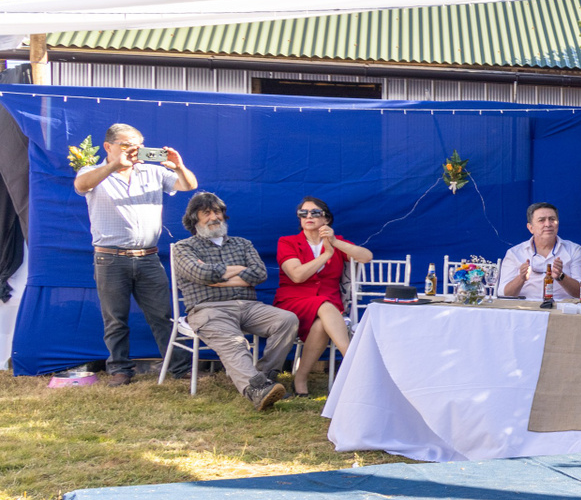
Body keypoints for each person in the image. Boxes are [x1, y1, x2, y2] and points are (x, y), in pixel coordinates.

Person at [72, 123, 198, 384]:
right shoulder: (92, 172)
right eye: (127, 145)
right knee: (115, 318)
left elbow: (189, 185)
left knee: (163, 316)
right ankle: (120, 369)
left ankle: (178, 368)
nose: (134, 150)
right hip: (110, 258)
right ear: (108, 147)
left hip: (148, 257)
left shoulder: (153, 171)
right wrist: (113, 166)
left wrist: (179, 166)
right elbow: (81, 185)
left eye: (138, 145)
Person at [173, 192, 297, 410]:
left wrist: (217, 279)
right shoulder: (184, 247)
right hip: (208, 309)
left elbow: (260, 274)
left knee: (287, 320)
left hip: (249, 306)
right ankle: (256, 390)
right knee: (234, 342)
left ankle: (265, 377)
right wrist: (240, 270)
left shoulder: (242, 244)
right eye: (206, 213)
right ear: (194, 218)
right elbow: (201, 274)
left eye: (217, 211)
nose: (214, 217)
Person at [273, 196, 371, 397]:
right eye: (303, 213)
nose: (308, 216)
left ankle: (300, 379)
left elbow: (366, 256)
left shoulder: (337, 242)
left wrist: (334, 242)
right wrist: (326, 255)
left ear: (326, 219)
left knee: (321, 324)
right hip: (293, 302)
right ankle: (354, 361)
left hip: (327, 306)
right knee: (325, 306)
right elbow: (297, 275)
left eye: (315, 212)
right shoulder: (288, 242)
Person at [499, 203, 581, 300]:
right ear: (530, 228)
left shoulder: (574, 250)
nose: (548, 224)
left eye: (552, 219)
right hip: (526, 307)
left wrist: (561, 277)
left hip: (561, 307)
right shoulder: (514, 253)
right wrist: (521, 278)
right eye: (541, 220)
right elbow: (503, 294)